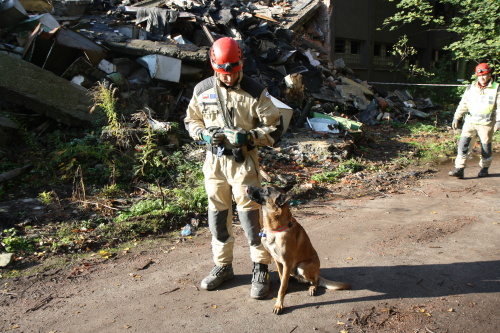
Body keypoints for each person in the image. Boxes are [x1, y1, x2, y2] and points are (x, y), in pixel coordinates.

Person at [184, 37, 283, 299]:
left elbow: (276, 126)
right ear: (213, 66)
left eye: (234, 72)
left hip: (244, 163)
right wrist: (203, 134)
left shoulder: (255, 91)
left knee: (250, 216)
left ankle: (260, 267)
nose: (228, 78)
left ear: (242, 64)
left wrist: (250, 137)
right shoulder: (202, 89)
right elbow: (191, 120)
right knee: (217, 215)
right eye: (222, 73)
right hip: (213, 163)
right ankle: (222, 266)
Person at [449, 63, 500, 179]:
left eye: (485, 75)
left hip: (486, 123)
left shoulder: (496, 88)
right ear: (476, 75)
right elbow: (464, 103)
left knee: (485, 148)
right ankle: (459, 168)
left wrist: (499, 121)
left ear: (489, 74)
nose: (482, 78)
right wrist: (457, 116)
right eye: (480, 75)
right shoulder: (471, 87)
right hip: (470, 122)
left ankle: (484, 168)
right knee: (463, 145)